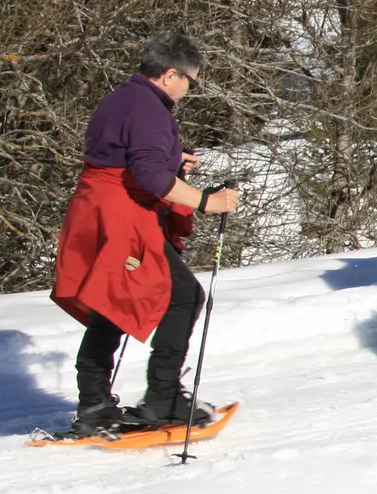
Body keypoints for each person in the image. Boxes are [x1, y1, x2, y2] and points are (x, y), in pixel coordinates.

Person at [51, 31, 241, 434]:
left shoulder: (124, 97)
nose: (190, 88)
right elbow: (152, 176)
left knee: (112, 297)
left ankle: (94, 403)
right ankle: (162, 398)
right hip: (121, 215)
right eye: (191, 80)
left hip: (99, 209)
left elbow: (126, 157)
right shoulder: (150, 110)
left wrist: (174, 159)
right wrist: (207, 201)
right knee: (183, 295)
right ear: (171, 74)